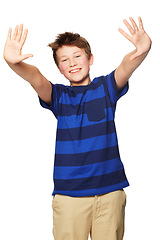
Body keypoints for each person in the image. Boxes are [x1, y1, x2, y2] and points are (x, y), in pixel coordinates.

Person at [4, 17, 151, 240]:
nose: (72, 63)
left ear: (90, 59)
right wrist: (14, 62)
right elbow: (35, 78)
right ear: (59, 69)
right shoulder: (59, 97)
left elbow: (125, 67)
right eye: (64, 60)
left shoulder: (106, 88)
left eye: (77, 56)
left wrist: (142, 50)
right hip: (69, 196)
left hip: (110, 192)